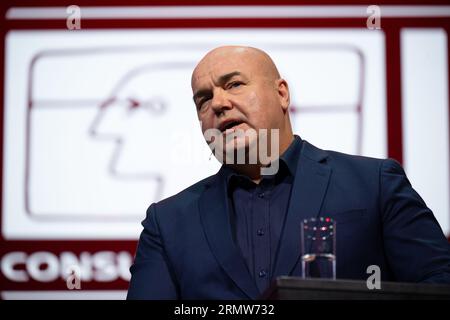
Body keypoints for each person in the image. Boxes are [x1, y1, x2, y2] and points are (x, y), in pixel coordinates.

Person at [127, 46, 450, 299]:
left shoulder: (374, 183)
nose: (219, 103)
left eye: (234, 84)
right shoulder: (167, 222)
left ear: (282, 93)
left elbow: (439, 285)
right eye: (203, 99)